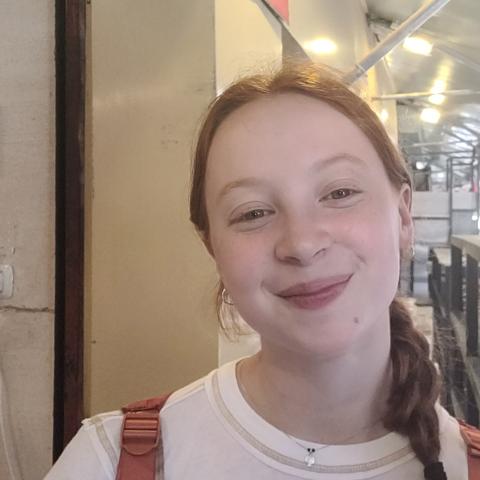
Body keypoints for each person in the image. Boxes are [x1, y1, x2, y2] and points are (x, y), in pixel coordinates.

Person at [45, 62, 468, 480]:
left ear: (403, 215)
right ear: (212, 247)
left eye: (340, 192)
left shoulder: (462, 464)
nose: (301, 244)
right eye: (253, 213)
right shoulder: (111, 461)